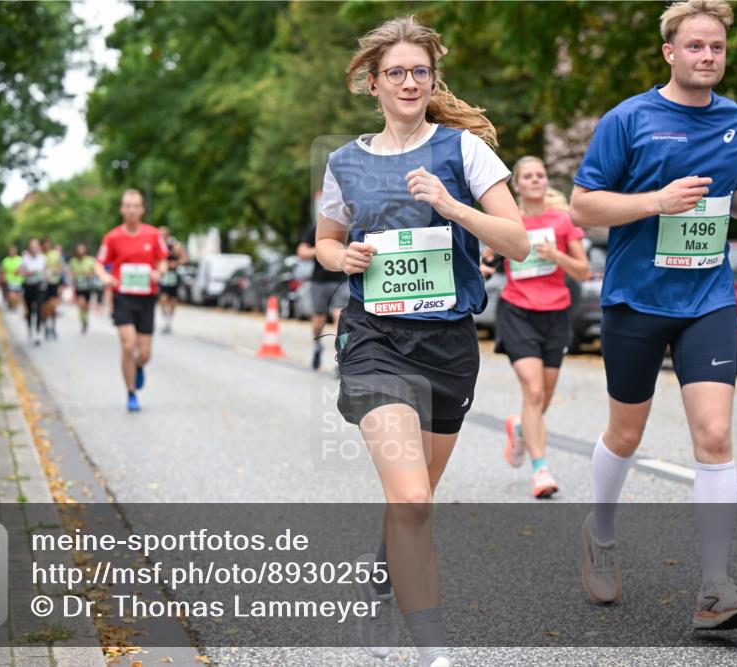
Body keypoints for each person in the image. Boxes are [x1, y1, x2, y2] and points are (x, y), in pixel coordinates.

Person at [569, 0, 737, 630]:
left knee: (716, 437)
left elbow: (736, 200)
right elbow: (583, 207)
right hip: (636, 299)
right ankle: (603, 532)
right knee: (626, 434)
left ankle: (714, 589)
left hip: (708, 298)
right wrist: (655, 202)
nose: (707, 57)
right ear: (670, 52)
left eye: (717, 48)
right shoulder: (629, 119)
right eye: (695, 46)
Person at [316, 16, 528, 666]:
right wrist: (340, 258)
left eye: (420, 71)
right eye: (396, 72)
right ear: (372, 84)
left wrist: (453, 205)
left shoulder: (462, 151)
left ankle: (382, 583)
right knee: (409, 496)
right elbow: (325, 241)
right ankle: (436, 652)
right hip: (375, 338)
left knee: (414, 501)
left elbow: (518, 239)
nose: (409, 82)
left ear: (432, 78)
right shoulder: (344, 161)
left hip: (448, 346)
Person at [483, 157, 589, 499]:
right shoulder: (507, 221)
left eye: (540, 175)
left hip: (556, 314)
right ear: (518, 185)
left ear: (546, 182)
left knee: (541, 397)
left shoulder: (561, 221)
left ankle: (518, 426)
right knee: (533, 391)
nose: (535, 180)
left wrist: (555, 255)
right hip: (517, 311)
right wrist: (483, 269)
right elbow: (487, 259)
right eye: (527, 176)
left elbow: (583, 272)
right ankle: (541, 470)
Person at [95, 189, 169, 412]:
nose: (131, 210)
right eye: (127, 206)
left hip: (146, 298)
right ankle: (131, 394)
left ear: (142, 209)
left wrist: (159, 273)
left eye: (135, 206)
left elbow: (163, 260)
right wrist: (106, 276)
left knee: (144, 353)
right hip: (123, 296)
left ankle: (138, 366)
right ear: (121, 209)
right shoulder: (112, 237)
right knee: (128, 345)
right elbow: (98, 263)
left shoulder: (154, 235)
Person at [297, 215, 351, 370]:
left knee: (339, 317)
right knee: (318, 322)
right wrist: (323, 249)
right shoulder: (317, 228)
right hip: (319, 281)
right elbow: (301, 252)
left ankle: (340, 357)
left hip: (341, 281)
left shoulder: (347, 229)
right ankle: (317, 347)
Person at [157, 226, 188, 334]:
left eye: (163, 234)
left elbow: (185, 259)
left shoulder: (175, 246)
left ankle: (170, 320)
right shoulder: (157, 246)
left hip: (173, 276)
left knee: (173, 300)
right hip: (163, 276)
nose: (161, 237)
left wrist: (176, 263)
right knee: (163, 298)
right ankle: (164, 320)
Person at [18, 238, 47, 345]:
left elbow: (45, 271)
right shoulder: (25, 258)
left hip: (39, 286)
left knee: (39, 309)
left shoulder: (43, 258)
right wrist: (27, 272)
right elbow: (19, 271)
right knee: (29, 310)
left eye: (35, 247)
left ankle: (38, 332)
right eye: (31, 247)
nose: (33, 249)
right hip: (28, 286)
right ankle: (30, 328)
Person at [68, 243, 96, 334]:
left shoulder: (90, 260)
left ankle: (85, 320)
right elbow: (70, 273)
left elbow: (95, 272)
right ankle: (83, 321)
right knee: (81, 304)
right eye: (79, 250)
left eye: (82, 249)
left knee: (86, 306)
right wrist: (74, 275)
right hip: (78, 286)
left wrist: (89, 274)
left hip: (88, 286)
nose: (80, 252)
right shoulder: (73, 261)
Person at [41, 238, 65, 340]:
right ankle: (46, 327)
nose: (46, 246)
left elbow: (61, 268)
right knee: (45, 308)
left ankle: (53, 327)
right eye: (44, 244)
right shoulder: (39, 256)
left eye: (48, 244)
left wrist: (53, 271)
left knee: (53, 306)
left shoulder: (55, 255)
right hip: (42, 285)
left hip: (53, 283)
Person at [0, 245, 24, 311]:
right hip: (10, 282)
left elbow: (23, 269)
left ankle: (14, 309)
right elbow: (3, 272)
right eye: (10, 251)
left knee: (18, 299)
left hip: (19, 282)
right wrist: (3, 278)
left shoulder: (20, 259)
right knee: (12, 297)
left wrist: (20, 271)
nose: (12, 252)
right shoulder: (5, 260)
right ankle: (12, 309)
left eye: (13, 250)